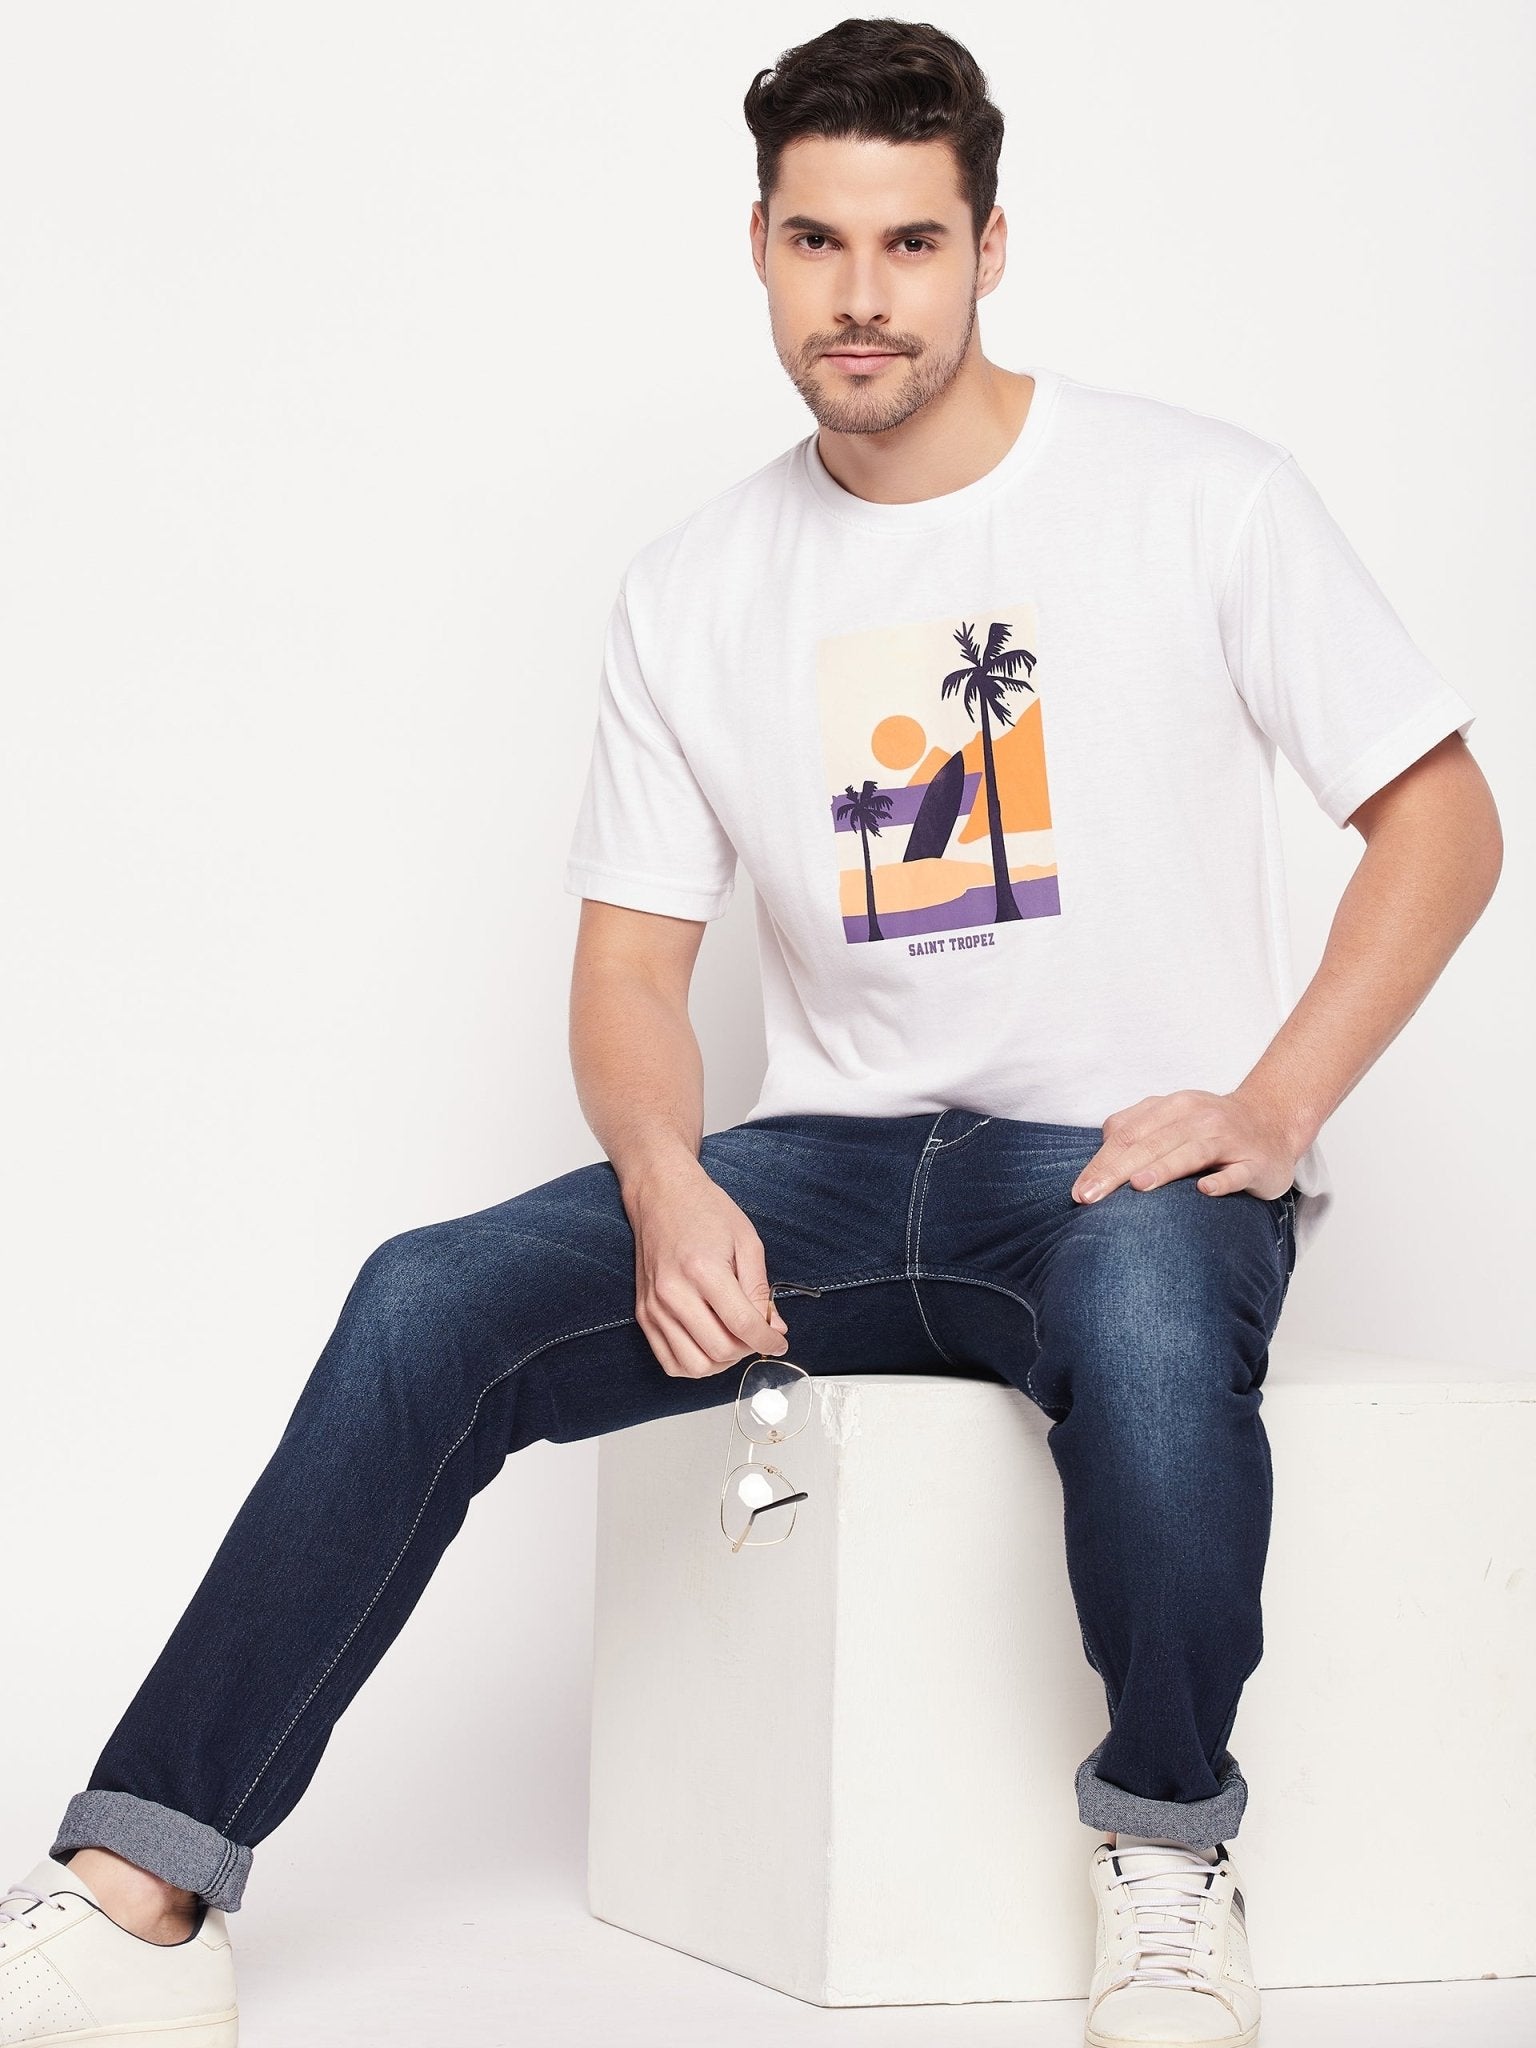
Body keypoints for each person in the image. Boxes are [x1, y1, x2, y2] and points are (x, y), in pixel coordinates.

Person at [1, 17, 1501, 2048]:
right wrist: (662, 1175)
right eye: (818, 241)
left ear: (988, 246)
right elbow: (631, 971)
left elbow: (1442, 820)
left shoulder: (1201, 498)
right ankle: (137, 1891)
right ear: (762, 246)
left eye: (910, 241)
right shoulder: (695, 586)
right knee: (423, 1302)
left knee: (1153, 1321)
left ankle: (1167, 1860)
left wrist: (1279, 1098)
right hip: (835, 1171)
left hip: (1115, 1163)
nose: (862, 294)